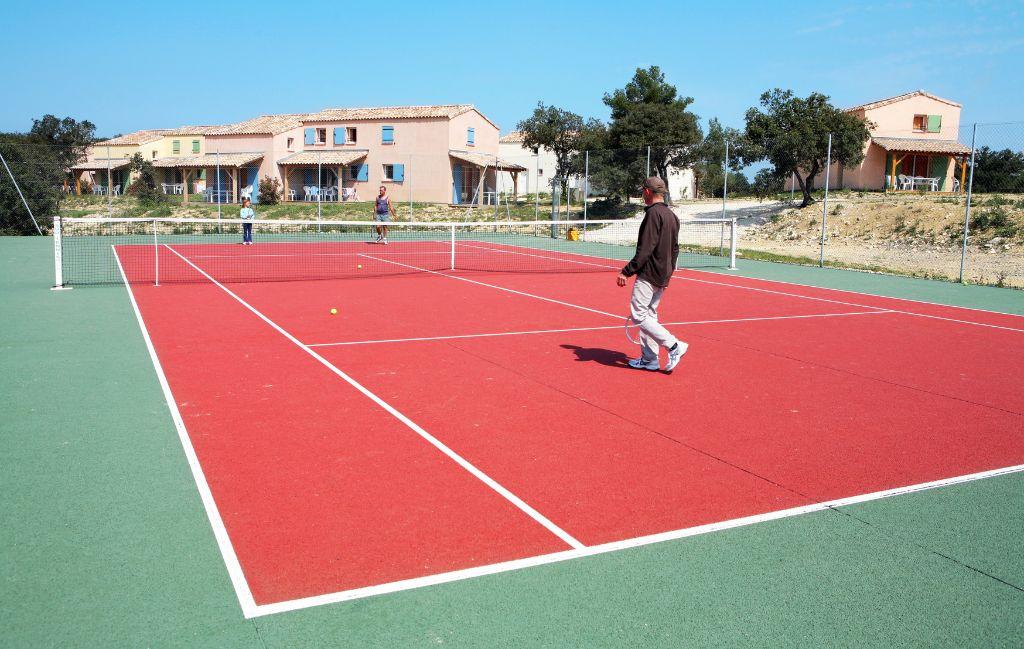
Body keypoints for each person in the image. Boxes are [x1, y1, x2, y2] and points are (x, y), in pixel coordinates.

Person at [616, 177, 688, 372]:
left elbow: (645, 249)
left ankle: (674, 345)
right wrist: (669, 272)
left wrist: (627, 271)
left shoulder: (653, 215)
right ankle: (649, 359)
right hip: (663, 275)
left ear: (648, 192)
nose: (642, 193)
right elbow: (675, 249)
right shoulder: (672, 216)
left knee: (638, 315)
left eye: (642, 190)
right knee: (650, 315)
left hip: (649, 274)